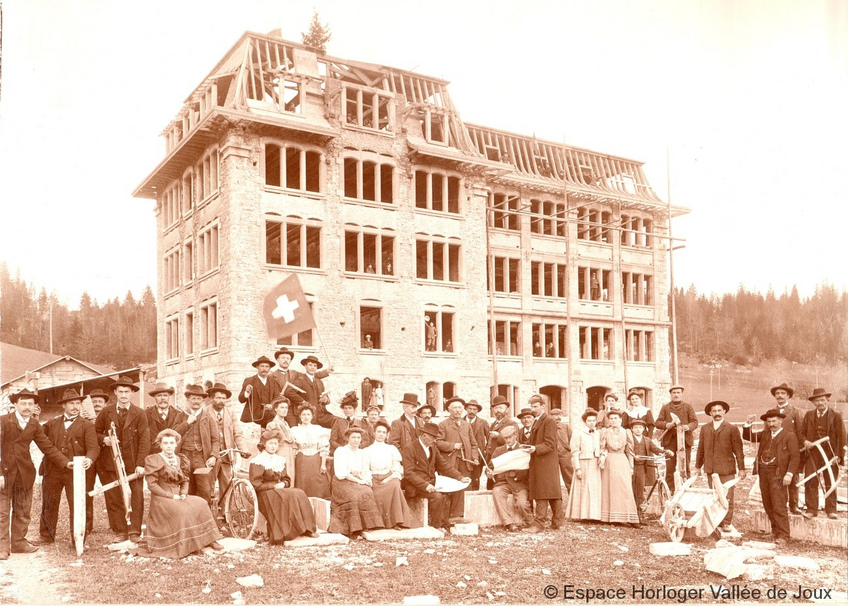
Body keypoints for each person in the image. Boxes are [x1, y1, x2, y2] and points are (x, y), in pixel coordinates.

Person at [0, 389, 69, 559]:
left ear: (34, 406)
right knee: (2, 511)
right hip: (5, 473)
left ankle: (18, 543)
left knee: (23, 510)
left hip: (24, 473)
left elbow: (47, 447)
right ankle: (2, 547)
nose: (27, 407)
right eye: (23, 403)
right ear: (15, 404)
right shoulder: (3, 421)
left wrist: (65, 462)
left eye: (30, 404)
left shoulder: (34, 424)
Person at [142, 429, 224, 558]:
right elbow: (152, 485)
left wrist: (184, 493)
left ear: (176, 444)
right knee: (183, 511)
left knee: (201, 503)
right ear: (160, 445)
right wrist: (171, 496)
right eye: (165, 443)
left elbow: (185, 480)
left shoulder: (180, 459)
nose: (169, 446)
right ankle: (189, 544)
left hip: (178, 495)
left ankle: (209, 540)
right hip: (161, 498)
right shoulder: (153, 459)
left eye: (171, 443)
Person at [36, 388, 99, 546]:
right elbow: (37, 434)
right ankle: (46, 536)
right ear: (63, 405)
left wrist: (89, 459)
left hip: (76, 472)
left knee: (77, 505)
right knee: (49, 503)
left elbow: (93, 447)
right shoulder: (52, 423)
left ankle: (78, 538)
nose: (75, 407)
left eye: (78, 403)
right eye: (71, 403)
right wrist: (35, 418)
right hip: (53, 469)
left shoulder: (87, 425)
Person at [95, 375, 151, 543]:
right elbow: (95, 432)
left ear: (132, 393)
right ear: (115, 392)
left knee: (137, 496)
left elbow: (145, 440)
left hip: (133, 463)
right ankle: (120, 531)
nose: (124, 395)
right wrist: (104, 439)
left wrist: (141, 463)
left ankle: (134, 531)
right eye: (121, 392)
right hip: (111, 462)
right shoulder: (106, 412)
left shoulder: (140, 413)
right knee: (114, 497)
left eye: (127, 391)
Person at [249, 429, 318, 545]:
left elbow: (287, 479)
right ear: (264, 444)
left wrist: (283, 484)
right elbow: (256, 484)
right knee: (285, 496)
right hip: (264, 493)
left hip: (279, 489)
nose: (273, 446)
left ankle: (307, 529)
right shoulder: (258, 461)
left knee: (299, 493)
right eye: (270, 443)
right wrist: (273, 486)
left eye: (275, 443)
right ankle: (287, 531)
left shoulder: (280, 460)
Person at [401, 422, 469, 530]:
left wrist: (460, 477)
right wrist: (425, 486)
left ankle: (449, 520)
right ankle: (436, 526)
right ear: (424, 436)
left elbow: (443, 465)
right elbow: (409, 473)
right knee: (437, 496)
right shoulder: (410, 448)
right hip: (415, 486)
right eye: (433, 438)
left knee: (456, 487)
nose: (435, 440)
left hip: (431, 482)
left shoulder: (432, 447)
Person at [695, 401, 746, 531]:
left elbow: (738, 451)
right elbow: (701, 449)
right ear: (710, 413)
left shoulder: (732, 428)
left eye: (719, 410)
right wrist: (697, 466)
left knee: (727, 496)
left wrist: (741, 469)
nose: (717, 413)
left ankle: (727, 522)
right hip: (711, 469)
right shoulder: (705, 428)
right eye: (714, 411)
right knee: (713, 496)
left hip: (726, 469)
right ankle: (716, 520)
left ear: (724, 412)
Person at [753, 409, 801, 542]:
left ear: (780, 420)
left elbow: (795, 457)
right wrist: (748, 424)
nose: (771, 424)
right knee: (767, 503)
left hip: (779, 474)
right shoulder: (765, 434)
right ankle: (775, 531)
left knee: (779, 504)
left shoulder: (789, 436)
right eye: (769, 422)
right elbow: (748, 436)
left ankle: (784, 535)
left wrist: (789, 474)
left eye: (774, 421)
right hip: (764, 473)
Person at [363, 420, 419, 530]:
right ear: (374, 433)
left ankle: (397, 521)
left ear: (387, 435)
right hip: (373, 477)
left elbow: (396, 467)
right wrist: (370, 479)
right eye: (379, 431)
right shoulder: (367, 450)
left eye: (384, 432)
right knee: (372, 492)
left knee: (395, 486)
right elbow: (365, 469)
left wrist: (388, 478)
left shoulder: (391, 449)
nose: (381, 434)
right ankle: (377, 523)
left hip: (390, 477)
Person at [329, 427, 384, 537]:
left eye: (358, 437)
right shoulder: (341, 451)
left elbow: (365, 470)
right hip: (342, 482)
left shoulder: (362, 453)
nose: (356, 440)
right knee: (354, 496)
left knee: (368, 492)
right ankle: (353, 527)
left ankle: (368, 525)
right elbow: (342, 473)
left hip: (357, 480)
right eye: (353, 437)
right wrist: (360, 481)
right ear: (348, 438)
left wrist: (366, 480)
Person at [800, 388, 845, 520]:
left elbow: (842, 437)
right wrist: (805, 441)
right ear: (813, 402)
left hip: (830, 453)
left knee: (830, 480)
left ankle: (831, 510)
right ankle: (811, 509)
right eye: (817, 401)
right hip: (813, 453)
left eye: (822, 400)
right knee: (810, 479)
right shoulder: (809, 415)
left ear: (827, 400)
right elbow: (801, 433)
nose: (820, 403)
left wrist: (839, 455)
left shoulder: (836, 416)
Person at [174, 384, 219, 505]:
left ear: (203, 401)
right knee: (186, 490)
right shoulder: (181, 416)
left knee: (205, 491)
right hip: (184, 458)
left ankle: (205, 516)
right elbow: (174, 435)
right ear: (188, 400)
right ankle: (189, 516)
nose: (196, 401)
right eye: (193, 398)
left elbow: (216, 440)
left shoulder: (208, 418)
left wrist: (214, 456)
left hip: (201, 458)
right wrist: (187, 423)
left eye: (199, 399)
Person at [523, 396, 563, 532]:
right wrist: (529, 446)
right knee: (552, 491)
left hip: (546, 462)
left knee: (542, 492)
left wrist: (535, 448)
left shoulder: (548, 421)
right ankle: (557, 522)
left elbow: (550, 444)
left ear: (543, 406)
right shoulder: (538, 420)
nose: (533, 409)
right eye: (532, 406)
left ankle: (539, 524)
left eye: (535, 406)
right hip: (542, 461)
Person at [436, 398, 479, 523]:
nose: (458, 410)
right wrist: (452, 445)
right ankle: (445, 517)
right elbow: (437, 442)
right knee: (451, 487)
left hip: (465, 462)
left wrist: (474, 457)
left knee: (464, 486)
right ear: (449, 410)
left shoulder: (466, 425)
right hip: (450, 462)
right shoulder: (443, 425)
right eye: (454, 408)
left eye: (460, 407)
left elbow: (473, 444)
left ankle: (459, 515)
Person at [486, 425, 532, 531]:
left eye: (510, 437)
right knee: (496, 492)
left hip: (519, 483)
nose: (508, 440)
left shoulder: (523, 449)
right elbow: (490, 466)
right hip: (502, 482)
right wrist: (489, 473)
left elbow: (529, 469)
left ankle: (529, 521)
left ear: (516, 435)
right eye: (505, 438)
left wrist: (517, 474)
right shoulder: (499, 450)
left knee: (521, 503)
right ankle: (508, 523)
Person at [206, 382, 248, 501]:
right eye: (218, 398)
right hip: (210, 455)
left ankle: (224, 509)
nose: (221, 401)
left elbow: (237, 433)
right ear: (211, 398)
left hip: (227, 454)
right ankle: (208, 508)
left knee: (226, 483)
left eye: (224, 398)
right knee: (209, 484)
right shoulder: (205, 412)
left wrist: (243, 449)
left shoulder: (230, 413)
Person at [271, 348, 331, 426]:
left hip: (294, 409)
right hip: (280, 408)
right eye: (283, 358)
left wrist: (326, 371)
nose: (286, 360)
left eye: (288, 358)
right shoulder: (271, 376)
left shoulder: (295, 373)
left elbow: (311, 375)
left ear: (290, 360)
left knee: (294, 429)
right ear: (278, 360)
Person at [654, 385, 698, 489]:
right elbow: (657, 422)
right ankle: (671, 490)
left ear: (682, 394)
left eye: (678, 393)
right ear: (670, 394)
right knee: (670, 467)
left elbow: (695, 422)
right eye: (674, 393)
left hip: (685, 440)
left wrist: (688, 427)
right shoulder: (665, 407)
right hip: (670, 441)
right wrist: (666, 425)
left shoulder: (688, 407)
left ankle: (687, 489)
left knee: (685, 466)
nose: (676, 395)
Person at [564, 409, 601, 521]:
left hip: (595, 463)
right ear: (585, 421)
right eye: (589, 421)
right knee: (583, 488)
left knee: (594, 489)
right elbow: (574, 452)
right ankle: (581, 515)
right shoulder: (578, 433)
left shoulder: (598, 433)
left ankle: (593, 515)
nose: (592, 423)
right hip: (583, 463)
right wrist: (577, 468)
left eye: (593, 420)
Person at [630, 419, 671, 515]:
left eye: (640, 427)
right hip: (630, 467)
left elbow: (656, 449)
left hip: (642, 468)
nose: (638, 429)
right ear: (632, 429)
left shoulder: (647, 440)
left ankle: (639, 512)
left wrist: (665, 451)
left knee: (640, 489)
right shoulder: (629, 439)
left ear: (644, 429)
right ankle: (631, 511)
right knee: (631, 488)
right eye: (636, 427)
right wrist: (633, 457)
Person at [290, 406, 331, 499]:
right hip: (301, 458)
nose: (306, 417)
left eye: (308, 414)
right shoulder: (294, 430)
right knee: (302, 481)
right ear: (300, 416)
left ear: (312, 416)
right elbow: (294, 449)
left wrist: (323, 464)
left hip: (315, 459)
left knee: (318, 482)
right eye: (303, 414)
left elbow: (323, 447)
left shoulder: (318, 429)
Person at [288, 355, 337, 430]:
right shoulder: (300, 380)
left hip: (321, 415)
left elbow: (324, 397)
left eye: (315, 366)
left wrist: (325, 399)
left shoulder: (319, 382)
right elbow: (289, 392)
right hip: (308, 416)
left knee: (339, 421)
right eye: (310, 365)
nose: (312, 367)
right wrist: (302, 401)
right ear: (305, 366)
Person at [238, 356, 284, 428]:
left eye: (266, 366)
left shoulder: (273, 382)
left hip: (269, 417)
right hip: (253, 418)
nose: (264, 369)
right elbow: (241, 400)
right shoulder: (249, 380)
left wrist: (271, 405)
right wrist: (247, 392)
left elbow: (277, 397)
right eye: (262, 366)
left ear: (269, 368)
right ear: (257, 367)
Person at [145, 383, 187, 454]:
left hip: (173, 454)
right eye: (159, 395)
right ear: (155, 397)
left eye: (165, 395)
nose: (162, 398)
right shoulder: (146, 414)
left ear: (169, 397)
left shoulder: (178, 414)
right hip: (153, 454)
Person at [548, 408, 573, 495]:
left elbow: (572, 440)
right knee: (552, 478)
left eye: (559, 415)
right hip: (552, 455)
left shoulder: (566, 427)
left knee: (569, 476)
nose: (558, 417)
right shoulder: (548, 427)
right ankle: (555, 499)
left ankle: (572, 498)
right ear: (550, 416)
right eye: (555, 415)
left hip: (565, 454)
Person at [464, 400, 488, 490]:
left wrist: (485, 450)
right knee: (464, 478)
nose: (472, 411)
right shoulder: (461, 421)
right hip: (464, 455)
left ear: (477, 411)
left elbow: (489, 437)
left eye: (474, 409)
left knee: (476, 478)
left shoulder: (483, 422)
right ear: (466, 409)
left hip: (478, 455)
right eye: (470, 409)